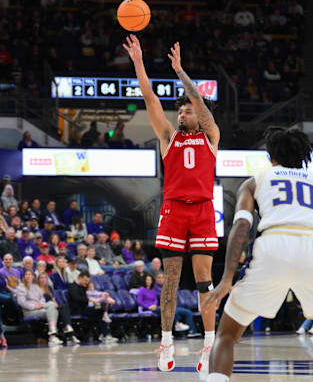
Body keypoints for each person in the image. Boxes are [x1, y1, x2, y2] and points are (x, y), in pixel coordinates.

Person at [202, 127, 313, 382]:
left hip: (272, 246)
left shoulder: (256, 180)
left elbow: (242, 226)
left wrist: (226, 280)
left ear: (271, 156)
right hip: (311, 249)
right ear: (303, 156)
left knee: (226, 336)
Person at [124, 35, 221, 375]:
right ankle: (166, 339)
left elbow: (200, 101)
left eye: (187, 109)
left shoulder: (211, 135)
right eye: (179, 109)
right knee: (171, 280)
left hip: (204, 210)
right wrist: (139, 60)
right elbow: (149, 98)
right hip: (174, 210)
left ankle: (209, 345)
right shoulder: (169, 136)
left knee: (204, 278)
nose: (182, 112)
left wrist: (179, 71)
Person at [15, 270, 62, 345]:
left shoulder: (36, 286)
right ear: (24, 277)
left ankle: (52, 333)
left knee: (51, 304)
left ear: (33, 276)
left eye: (30, 274)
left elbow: (42, 298)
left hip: (40, 308)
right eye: (26, 274)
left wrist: (40, 305)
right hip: (29, 311)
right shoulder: (20, 287)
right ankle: (53, 334)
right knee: (52, 309)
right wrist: (34, 306)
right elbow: (21, 302)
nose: (28, 276)